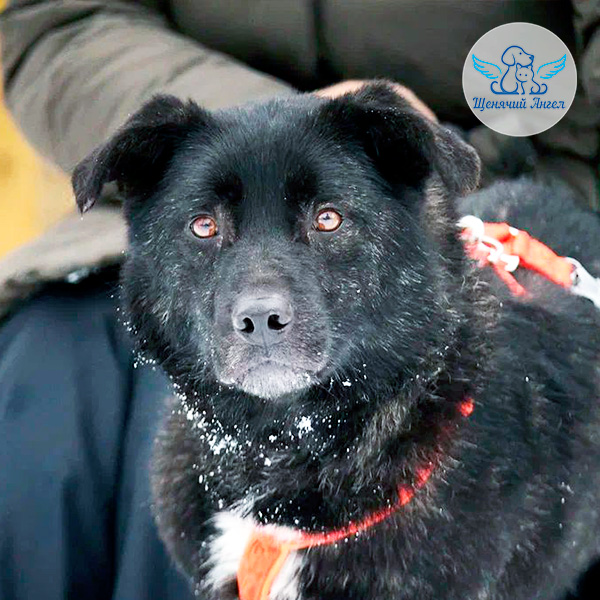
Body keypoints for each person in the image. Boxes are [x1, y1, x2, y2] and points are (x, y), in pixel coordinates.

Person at [0, 1, 598, 599]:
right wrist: (265, 122)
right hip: (209, 134)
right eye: (209, 227)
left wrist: (489, 155)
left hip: (511, 157)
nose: (261, 307)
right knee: (44, 395)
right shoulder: (180, 494)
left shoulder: (479, 507)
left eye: (325, 220)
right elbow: (60, 23)